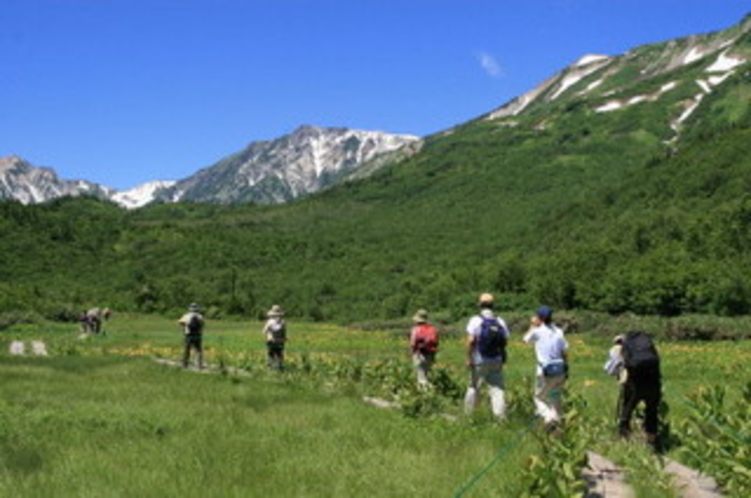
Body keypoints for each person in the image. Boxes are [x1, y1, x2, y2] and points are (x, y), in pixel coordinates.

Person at [605, 332, 662, 446]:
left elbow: (610, 369)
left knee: (627, 410)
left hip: (635, 382)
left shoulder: (619, 349)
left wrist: (620, 375)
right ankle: (652, 442)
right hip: (653, 381)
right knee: (652, 411)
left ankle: (624, 438)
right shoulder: (648, 346)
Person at [463, 293, 510, 421]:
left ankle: (469, 416)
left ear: (480, 305)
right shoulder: (500, 321)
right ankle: (500, 418)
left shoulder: (475, 320)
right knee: (497, 389)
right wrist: (503, 354)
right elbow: (505, 340)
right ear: (493, 305)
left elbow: (471, 341)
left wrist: (469, 357)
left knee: (474, 387)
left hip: (480, 359)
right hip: (496, 359)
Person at [523, 305, 569, 429]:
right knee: (555, 396)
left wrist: (533, 325)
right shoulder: (559, 331)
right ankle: (558, 422)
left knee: (539, 398)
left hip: (544, 371)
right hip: (560, 369)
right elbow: (564, 351)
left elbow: (525, 339)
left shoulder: (537, 331)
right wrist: (566, 368)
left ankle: (549, 419)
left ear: (540, 317)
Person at [409, 309, 439, 388]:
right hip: (430, 355)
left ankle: (424, 396)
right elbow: (436, 342)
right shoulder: (432, 329)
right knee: (426, 375)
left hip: (419, 355)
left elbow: (412, 344)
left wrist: (412, 353)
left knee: (421, 378)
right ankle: (429, 392)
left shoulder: (415, 329)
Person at [178, 303, 204, 369]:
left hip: (189, 335)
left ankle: (185, 364)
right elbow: (202, 324)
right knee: (198, 350)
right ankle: (199, 364)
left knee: (187, 350)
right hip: (198, 335)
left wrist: (185, 325)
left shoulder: (186, 315)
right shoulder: (200, 316)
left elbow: (180, 322)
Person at [263, 304, 286, 371]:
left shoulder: (269, 322)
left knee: (271, 354)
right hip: (280, 341)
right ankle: (280, 367)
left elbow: (264, 331)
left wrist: (268, 334)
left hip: (271, 340)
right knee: (279, 354)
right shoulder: (283, 322)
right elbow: (284, 332)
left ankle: (270, 368)